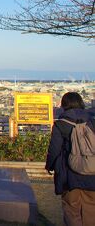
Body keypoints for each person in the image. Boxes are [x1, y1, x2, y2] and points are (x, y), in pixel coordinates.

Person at [45, 92, 95, 226]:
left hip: (69, 173)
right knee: (91, 209)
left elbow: (54, 149)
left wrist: (49, 166)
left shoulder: (61, 124)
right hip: (92, 171)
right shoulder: (92, 121)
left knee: (71, 209)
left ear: (63, 105)